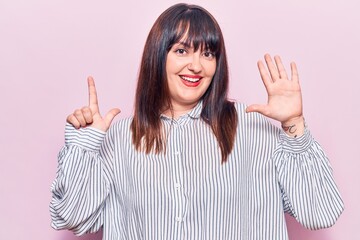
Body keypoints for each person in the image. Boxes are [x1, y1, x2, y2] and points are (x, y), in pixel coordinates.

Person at [50, 3, 344, 240]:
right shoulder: (118, 139)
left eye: (208, 53)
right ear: (157, 56)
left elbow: (320, 213)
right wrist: (85, 146)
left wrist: (294, 123)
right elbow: (74, 218)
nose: (196, 65)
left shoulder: (252, 128)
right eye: (181, 50)